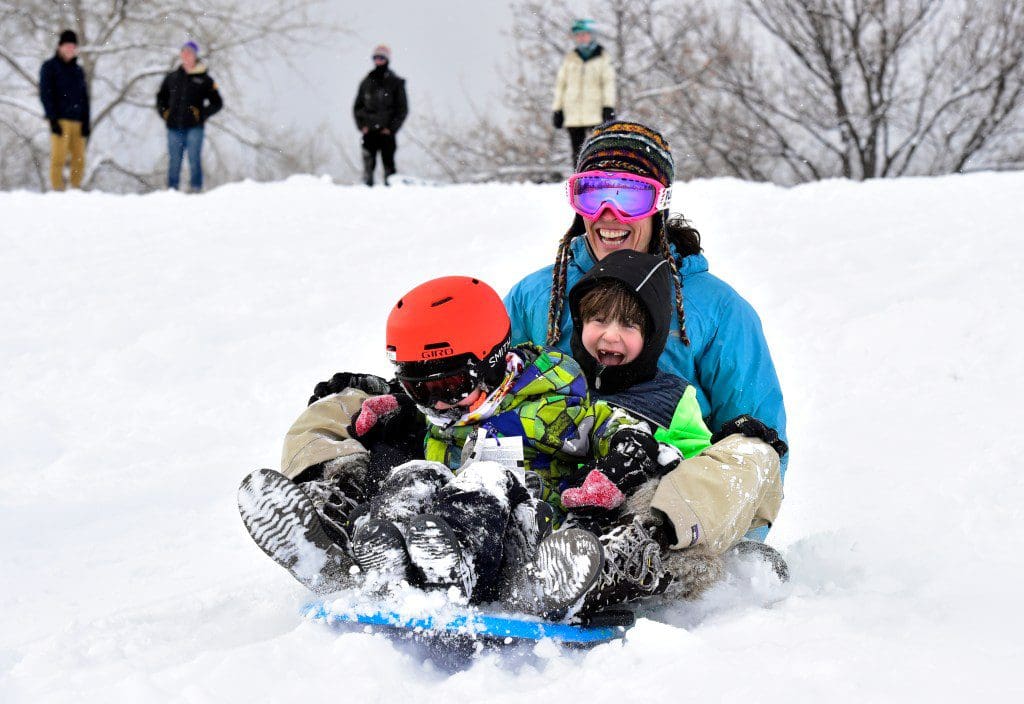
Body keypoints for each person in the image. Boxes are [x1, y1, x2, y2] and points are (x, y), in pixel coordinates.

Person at [239, 275, 705, 617]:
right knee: (414, 477)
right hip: (433, 526)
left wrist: (627, 450)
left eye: (455, 383)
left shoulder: (557, 405)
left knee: (487, 477)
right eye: (423, 390)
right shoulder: (444, 414)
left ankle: (475, 574)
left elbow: (623, 431)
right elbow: (420, 417)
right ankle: (360, 558)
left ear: (497, 362)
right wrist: (398, 411)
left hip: (524, 543)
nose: (440, 403)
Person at [504, 120, 789, 549]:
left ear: (660, 203)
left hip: (667, 503)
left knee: (756, 450)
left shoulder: (717, 309)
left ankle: (634, 556)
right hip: (557, 490)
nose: (608, 215)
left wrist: (744, 544)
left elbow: (757, 441)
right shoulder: (537, 295)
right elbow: (487, 393)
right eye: (593, 194)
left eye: (630, 197)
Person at [156, 41, 223, 192]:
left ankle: (196, 189)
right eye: (184, 52)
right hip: (174, 127)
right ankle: (172, 192)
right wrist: (165, 113)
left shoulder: (204, 79)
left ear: (195, 56)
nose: (186, 56)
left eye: (189, 53)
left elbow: (217, 102)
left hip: (194, 128)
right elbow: (160, 98)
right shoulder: (172, 77)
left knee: (194, 159)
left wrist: (203, 114)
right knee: (174, 162)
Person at [551, 18, 616, 167]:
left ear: (592, 35)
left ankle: (598, 177)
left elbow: (608, 84)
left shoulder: (602, 58)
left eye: (584, 34)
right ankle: (579, 180)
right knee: (577, 151)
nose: (581, 38)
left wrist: (608, 107)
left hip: (595, 112)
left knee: (598, 148)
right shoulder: (570, 59)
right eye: (578, 35)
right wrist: (557, 109)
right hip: (573, 113)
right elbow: (561, 85)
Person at [39, 30, 90, 191]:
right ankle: (57, 190)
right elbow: (46, 93)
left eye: (73, 46)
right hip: (60, 120)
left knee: (79, 159)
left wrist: (86, 122)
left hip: (78, 121)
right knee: (59, 157)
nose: (70, 49)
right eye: (67, 46)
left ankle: (75, 190)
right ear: (60, 46)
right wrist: (52, 119)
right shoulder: (50, 67)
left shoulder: (78, 71)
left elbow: (84, 98)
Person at [353, 45, 408, 186]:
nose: (378, 60)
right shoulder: (366, 82)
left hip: (387, 133)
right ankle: (366, 192)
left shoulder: (396, 83)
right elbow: (357, 107)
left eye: (381, 57)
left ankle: (392, 193)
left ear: (387, 59)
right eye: (376, 57)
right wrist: (362, 126)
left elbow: (402, 109)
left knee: (389, 167)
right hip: (369, 131)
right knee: (368, 168)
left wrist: (391, 128)